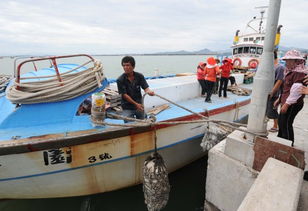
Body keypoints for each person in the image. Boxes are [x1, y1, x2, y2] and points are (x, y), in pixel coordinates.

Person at [276, 50, 306, 146]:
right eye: (286, 60)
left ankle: (288, 145)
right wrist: (280, 99)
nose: (287, 62)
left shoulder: (299, 73)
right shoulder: (290, 71)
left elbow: (296, 91)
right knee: (281, 122)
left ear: (296, 61)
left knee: (286, 123)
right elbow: (286, 88)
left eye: (290, 60)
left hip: (293, 104)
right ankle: (280, 141)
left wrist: (286, 104)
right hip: (286, 101)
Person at [116, 56, 155, 122]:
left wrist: (149, 92)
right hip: (127, 107)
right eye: (124, 65)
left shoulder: (139, 76)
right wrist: (136, 104)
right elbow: (125, 95)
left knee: (144, 120)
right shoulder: (120, 80)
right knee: (129, 123)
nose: (125, 67)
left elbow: (146, 88)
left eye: (128, 65)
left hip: (139, 105)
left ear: (133, 66)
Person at [266, 51, 285, 132]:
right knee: (268, 110)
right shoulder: (271, 67)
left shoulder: (280, 67)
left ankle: (275, 126)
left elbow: (279, 81)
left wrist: (272, 92)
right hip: (268, 92)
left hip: (274, 94)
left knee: (273, 110)